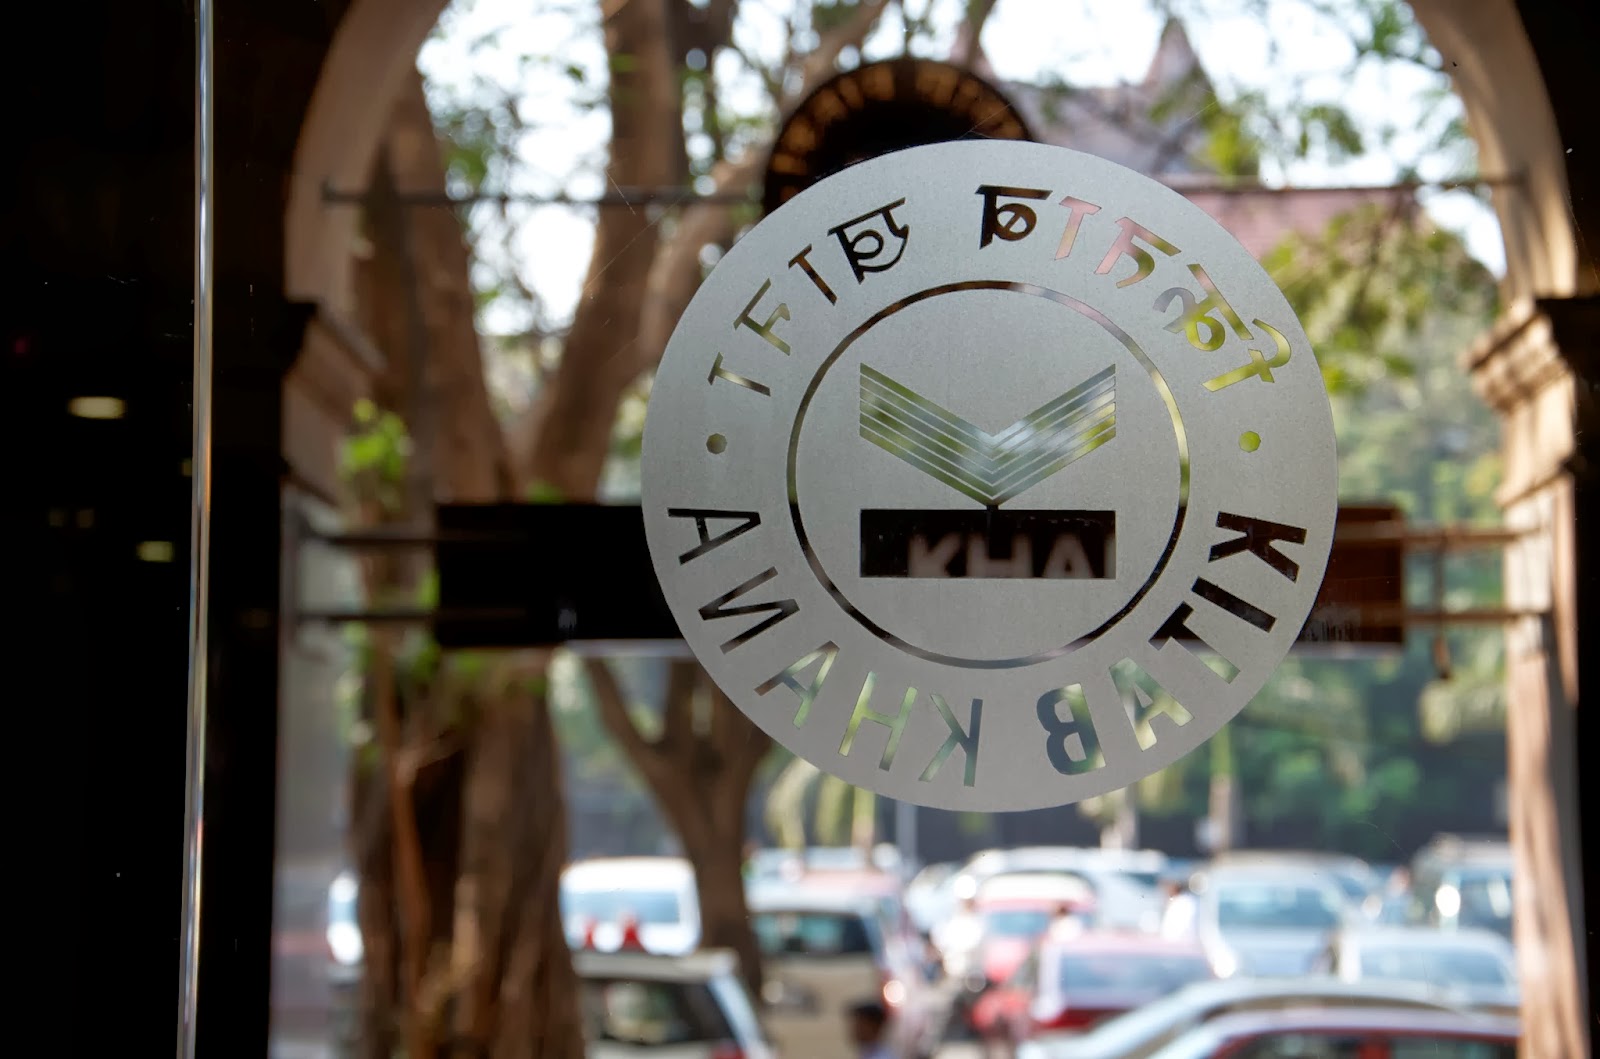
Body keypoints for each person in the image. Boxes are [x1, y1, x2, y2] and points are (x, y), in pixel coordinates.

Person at [1160, 874, 1198, 939]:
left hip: (1182, 943)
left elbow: (1184, 928)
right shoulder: (1177, 901)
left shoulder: (1185, 902)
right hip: (1175, 943)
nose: (1166, 890)